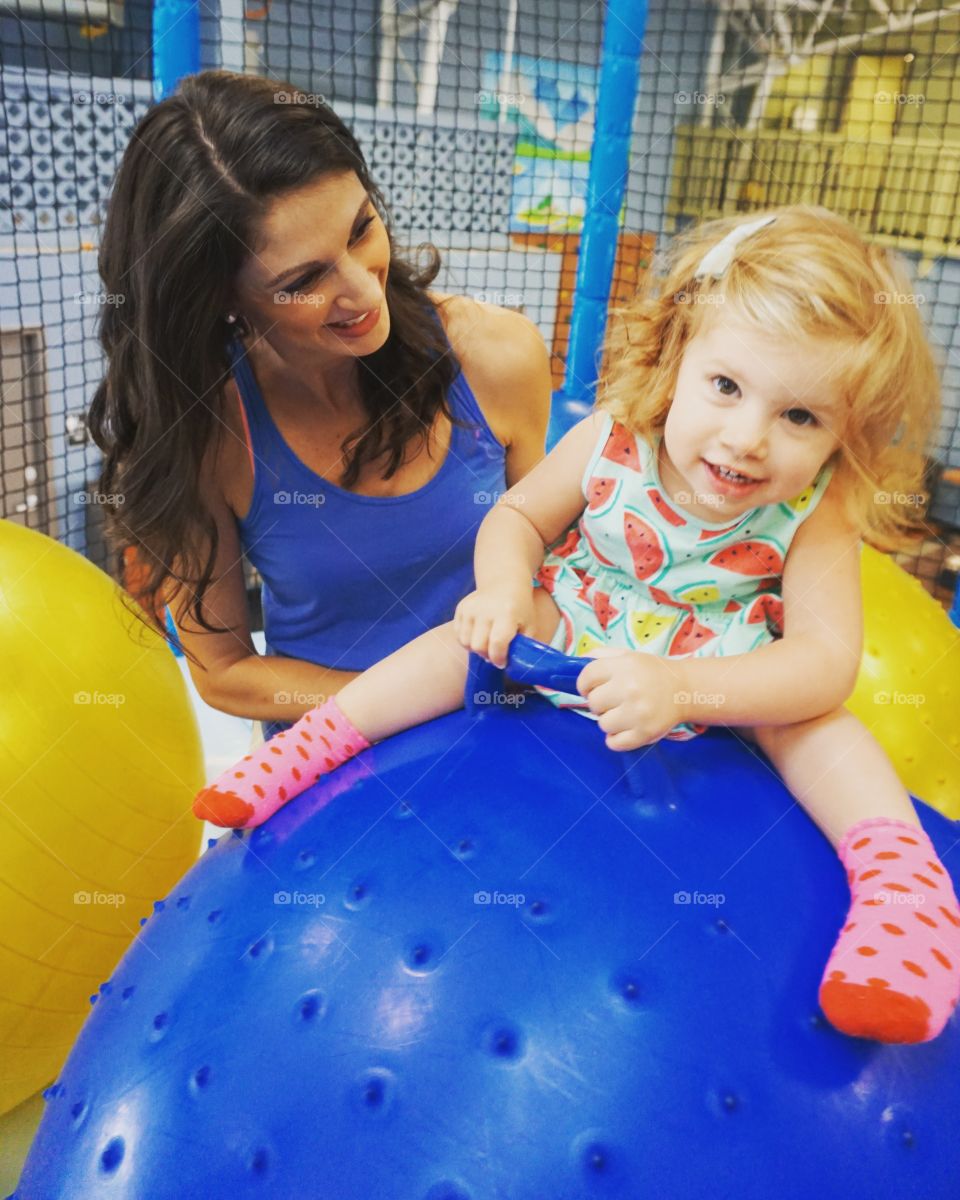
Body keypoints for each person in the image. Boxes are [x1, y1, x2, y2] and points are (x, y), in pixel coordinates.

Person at [193, 204, 960, 1046]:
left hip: (723, 666)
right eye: (728, 388)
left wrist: (683, 686)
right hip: (577, 623)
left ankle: (904, 890)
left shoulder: (818, 508)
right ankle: (312, 744)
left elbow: (823, 660)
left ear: (843, 435)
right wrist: (500, 592)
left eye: (801, 418)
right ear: (677, 356)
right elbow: (518, 519)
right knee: (458, 641)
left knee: (821, 728)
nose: (747, 439)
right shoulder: (612, 437)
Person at [87, 70, 551, 738]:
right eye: (305, 280)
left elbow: (556, 566)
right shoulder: (208, 428)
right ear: (222, 297)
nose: (363, 292)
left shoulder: (497, 355)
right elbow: (223, 671)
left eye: (361, 229)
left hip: (502, 731)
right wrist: (408, 698)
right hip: (332, 757)